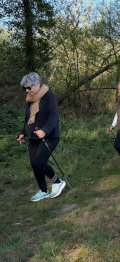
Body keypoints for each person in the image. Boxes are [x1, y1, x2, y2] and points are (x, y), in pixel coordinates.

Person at [16, 72, 66, 202]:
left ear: (37, 84)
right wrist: (23, 133)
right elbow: (27, 118)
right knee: (34, 164)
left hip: (50, 136)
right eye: (25, 88)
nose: (27, 91)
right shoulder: (29, 99)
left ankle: (58, 182)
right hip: (32, 136)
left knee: (39, 162)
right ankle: (43, 190)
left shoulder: (49, 96)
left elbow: (54, 116)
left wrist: (45, 130)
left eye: (29, 87)